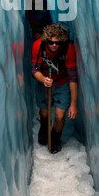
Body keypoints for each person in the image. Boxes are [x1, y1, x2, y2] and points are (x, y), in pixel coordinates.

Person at [31, 23, 78, 153]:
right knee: (44, 113)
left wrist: (73, 104)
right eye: (51, 42)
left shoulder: (69, 49)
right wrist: (43, 79)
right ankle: (44, 127)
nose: (54, 45)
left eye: (57, 43)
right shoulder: (38, 46)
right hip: (43, 80)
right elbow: (35, 70)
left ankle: (55, 137)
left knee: (59, 116)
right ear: (46, 40)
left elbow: (73, 77)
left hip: (61, 82)